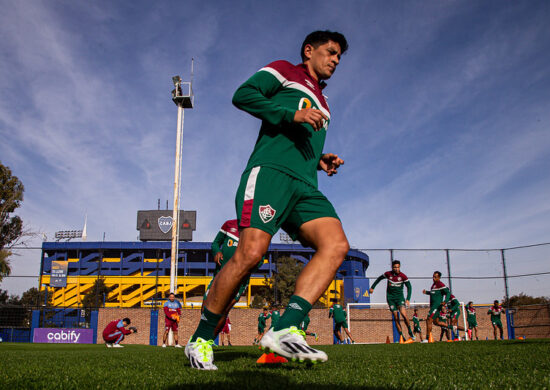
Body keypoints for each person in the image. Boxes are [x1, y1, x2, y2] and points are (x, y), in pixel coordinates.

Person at [185, 30, 349, 370]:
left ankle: (286, 327)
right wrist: (292, 115)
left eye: (339, 56)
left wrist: (320, 159)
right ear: (309, 50)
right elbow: (244, 95)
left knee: (336, 246)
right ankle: (200, 340)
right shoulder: (286, 71)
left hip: (305, 184)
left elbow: (301, 140)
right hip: (270, 174)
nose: (335, 60)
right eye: (330, 52)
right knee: (250, 253)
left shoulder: (324, 100)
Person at [369, 260, 414, 342]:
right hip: (391, 299)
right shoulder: (388, 274)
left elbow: (409, 287)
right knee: (396, 317)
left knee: (404, 314)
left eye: (398, 267)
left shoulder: (403, 276)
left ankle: (410, 331)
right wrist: (372, 287)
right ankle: (402, 336)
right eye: (395, 267)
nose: (396, 269)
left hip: (400, 298)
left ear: (400, 267)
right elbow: (379, 278)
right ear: (392, 267)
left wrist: (408, 299)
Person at [422, 271, 450, 343]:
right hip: (433, 306)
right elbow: (433, 293)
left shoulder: (440, 284)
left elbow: (448, 292)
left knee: (429, 320)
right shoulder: (433, 285)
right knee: (436, 322)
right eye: (433, 276)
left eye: (435, 277)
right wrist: (427, 292)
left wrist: (445, 301)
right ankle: (451, 327)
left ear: (439, 278)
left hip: (436, 306)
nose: (433, 278)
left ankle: (427, 338)